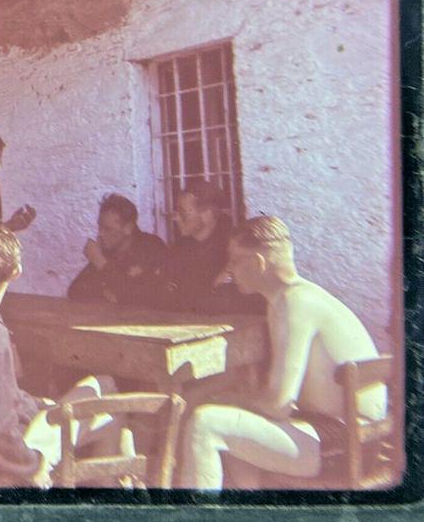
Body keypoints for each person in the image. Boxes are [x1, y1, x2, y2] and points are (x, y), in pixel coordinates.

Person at [178, 216, 387, 489]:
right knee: (232, 432)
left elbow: (278, 404)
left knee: (205, 423)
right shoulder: (292, 297)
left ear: (258, 263)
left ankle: (196, 515)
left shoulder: (294, 302)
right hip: (345, 435)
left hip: (346, 443)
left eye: (235, 260)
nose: (229, 269)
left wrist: (225, 398)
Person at [0, 223, 130, 488]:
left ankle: (113, 487)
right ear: (16, 272)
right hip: (6, 456)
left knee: (104, 385)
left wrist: (35, 404)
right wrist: (32, 466)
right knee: (108, 415)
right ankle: (112, 492)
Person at [159, 180, 261, 315]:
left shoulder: (234, 247)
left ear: (207, 215)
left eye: (183, 213)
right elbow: (164, 292)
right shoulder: (181, 246)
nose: (176, 218)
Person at [67, 193, 167, 307]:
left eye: (107, 229)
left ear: (128, 228)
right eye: (99, 227)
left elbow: (141, 299)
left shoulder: (151, 247)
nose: (100, 234)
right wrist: (106, 293)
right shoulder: (108, 249)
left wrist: (101, 263)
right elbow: (75, 291)